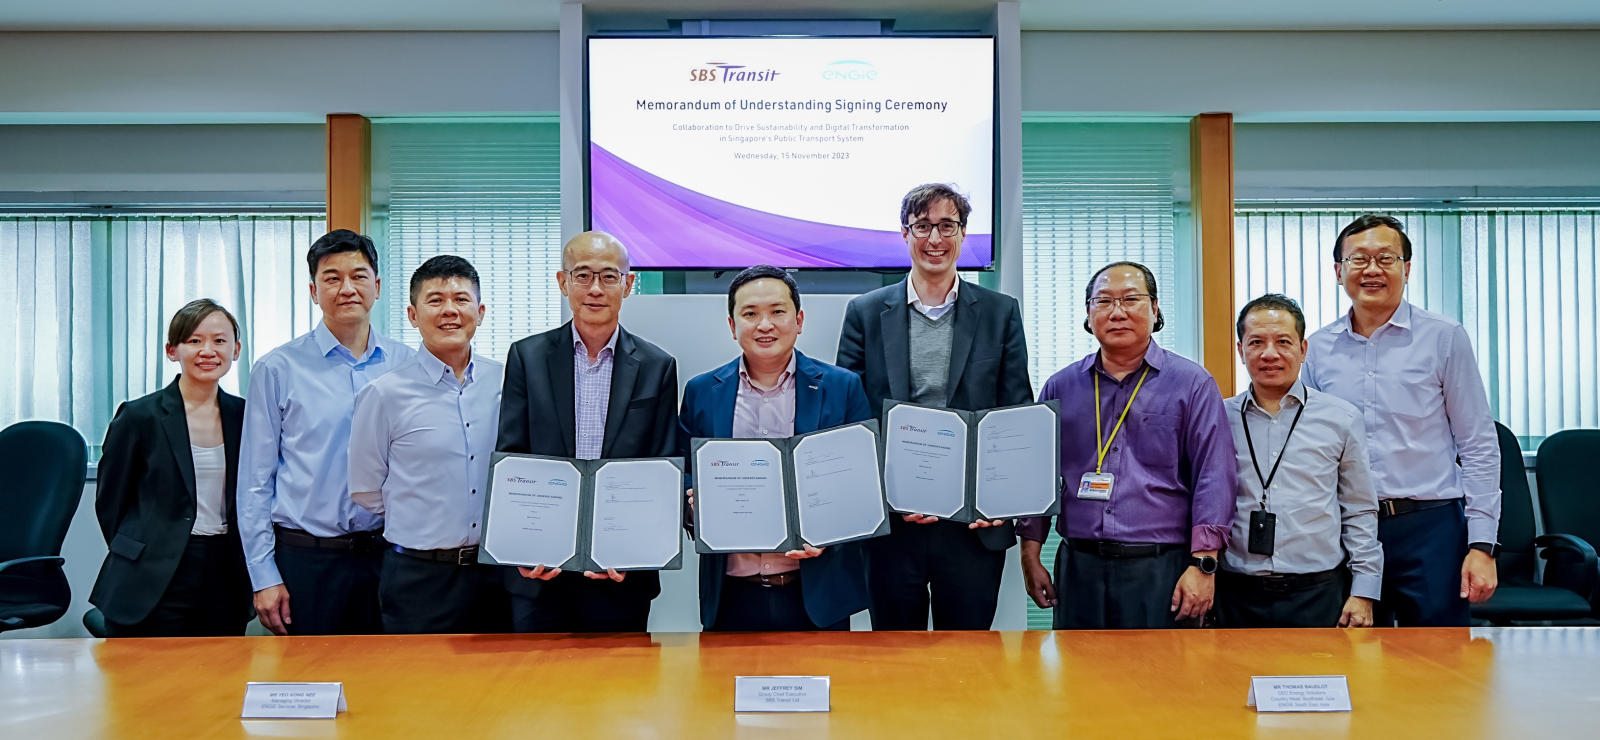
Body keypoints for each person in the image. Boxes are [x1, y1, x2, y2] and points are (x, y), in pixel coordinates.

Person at [836, 183, 1032, 631]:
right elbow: (848, 415)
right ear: (904, 234)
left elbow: (1015, 414)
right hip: (891, 523)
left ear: (963, 234)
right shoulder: (865, 312)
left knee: (967, 662)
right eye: (922, 226)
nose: (935, 239)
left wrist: (1001, 500)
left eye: (947, 226)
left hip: (972, 524)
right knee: (894, 659)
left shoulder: (1000, 312)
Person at [1302, 214, 1501, 627]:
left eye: (1385, 258)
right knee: (1353, 662)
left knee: (1438, 666)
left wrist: (1482, 545)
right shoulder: (1317, 348)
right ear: (1339, 272)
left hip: (1429, 528)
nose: (1372, 270)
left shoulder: (1444, 337)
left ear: (1406, 269)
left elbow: (1478, 444)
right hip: (1344, 530)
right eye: (1358, 259)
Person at [1019, 261, 1236, 629]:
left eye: (1131, 299)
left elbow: (1215, 477)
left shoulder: (1191, 383)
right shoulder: (1060, 387)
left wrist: (1204, 565)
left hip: (1161, 568)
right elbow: (1037, 476)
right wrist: (1030, 553)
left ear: (1154, 309)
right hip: (1079, 565)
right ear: (1089, 314)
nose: (1117, 311)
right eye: (1103, 301)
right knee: (1078, 679)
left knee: (1158, 681)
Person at [497, 232, 680, 633]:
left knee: (619, 691)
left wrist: (633, 551)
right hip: (541, 573)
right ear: (563, 282)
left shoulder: (657, 365)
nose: (595, 289)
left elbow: (663, 465)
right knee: (536, 688)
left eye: (609, 276)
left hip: (621, 576)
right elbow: (512, 455)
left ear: (628, 285)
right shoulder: (527, 357)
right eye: (583, 275)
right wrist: (523, 547)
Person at [237, 230, 415, 636]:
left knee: (391, 686)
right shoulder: (277, 368)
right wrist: (263, 574)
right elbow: (254, 481)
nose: (347, 288)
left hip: (390, 556)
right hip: (307, 560)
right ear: (315, 291)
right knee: (308, 685)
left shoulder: (408, 365)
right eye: (332, 278)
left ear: (378, 286)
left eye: (359, 276)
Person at [682, 265, 873, 631]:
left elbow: (862, 483)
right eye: (750, 314)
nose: (764, 324)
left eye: (777, 311)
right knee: (726, 689)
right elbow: (684, 473)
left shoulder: (842, 387)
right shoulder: (702, 392)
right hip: (731, 595)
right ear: (732, 325)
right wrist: (692, 506)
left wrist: (830, 533)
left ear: (799, 320)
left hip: (817, 592)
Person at [349, 256, 508, 634]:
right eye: (435, 300)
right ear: (413, 314)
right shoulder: (384, 394)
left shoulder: (508, 384)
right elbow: (367, 489)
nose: (449, 310)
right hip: (418, 578)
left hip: (498, 576)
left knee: (499, 689)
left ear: (481, 312)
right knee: (418, 690)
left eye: (461, 299)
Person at [89, 300, 253, 637]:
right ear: (172, 350)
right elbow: (111, 501)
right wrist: (146, 546)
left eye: (220, 341)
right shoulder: (140, 416)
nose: (208, 350)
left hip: (225, 570)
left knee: (218, 681)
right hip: (151, 573)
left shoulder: (247, 416)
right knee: (145, 683)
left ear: (236, 350)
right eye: (194, 341)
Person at [1217, 294, 1382, 628]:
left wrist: (1364, 591)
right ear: (1240, 350)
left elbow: (1359, 508)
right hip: (1235, 593)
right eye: (1256, 342)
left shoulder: (1341, 418)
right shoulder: (1217, 417)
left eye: (1283, 342)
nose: (1269, 353)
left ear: (1303, 349)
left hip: (1318, 593)